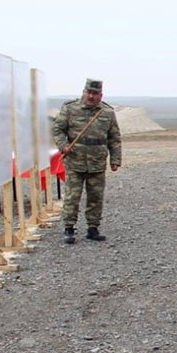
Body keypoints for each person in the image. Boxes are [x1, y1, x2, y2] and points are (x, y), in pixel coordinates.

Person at [53, 78, 122, 244]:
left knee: (96, 197)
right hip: (75, 161)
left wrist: (116, 159)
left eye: (95, 93)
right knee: (72, 196)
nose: (91, 96)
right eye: (89, 92)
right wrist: (63, 146)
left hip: (97, 162)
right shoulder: (70, 109)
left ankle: (93, 228)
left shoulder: (107, 112)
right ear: (84, 92)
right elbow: (57, 129)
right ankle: (69, 228)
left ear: (100, 95)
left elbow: (114, 138)